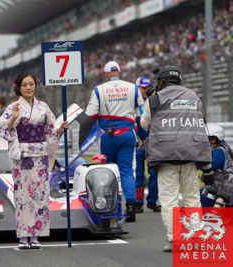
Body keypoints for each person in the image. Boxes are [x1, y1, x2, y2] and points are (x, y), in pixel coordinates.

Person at [140, 66, 214, 252]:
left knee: (169, 200)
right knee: (191, 198)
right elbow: (200, 125)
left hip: (166, 156)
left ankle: (175, 240)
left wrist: (153, 99)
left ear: (161, 82)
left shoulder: (155, 98)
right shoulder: (194, 96)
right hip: (190, 155)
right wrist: (206, 166)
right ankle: (197, 236)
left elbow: (144, 123)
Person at [0, 71, 69, 250]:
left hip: (41, 157)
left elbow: (49, 129)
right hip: (22, 157)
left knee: (40, 195)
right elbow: (1, 129)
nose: (28, 88)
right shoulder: (14, 107)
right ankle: (23, 236)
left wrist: (60, 129)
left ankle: (36, 234)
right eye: (24, 85)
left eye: (31, 84)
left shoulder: (43, 106)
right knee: (22, 196)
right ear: (18, 88)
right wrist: (13, 117)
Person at [85, 61, 145, 222]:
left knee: (108, 172)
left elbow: (90, 116)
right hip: (127, 134)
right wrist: (144, 137)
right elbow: (142, 116)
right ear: (119, 72)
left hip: (107, 135)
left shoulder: (98, 90)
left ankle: (110, 206)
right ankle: (131, 206)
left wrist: (89, 137)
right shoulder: (133, 88)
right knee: (127, 170)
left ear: (105, 74)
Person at [134, 77, 160, 213]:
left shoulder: (154, 101)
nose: (145, 90)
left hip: (153, 141)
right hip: (138, 142)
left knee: (154, 172)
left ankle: (152, 200)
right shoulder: (132, 103)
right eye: (143, 87)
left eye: (147, 87)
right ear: (137, 88)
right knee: (138, 173)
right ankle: (138, 201)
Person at [200, 125, 233, 207]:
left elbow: (204, 166)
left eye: (207, 139)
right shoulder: (226, 148)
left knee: (195, 197)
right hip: (222, 191)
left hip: (222, 194)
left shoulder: (219, 151)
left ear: (214, 139)